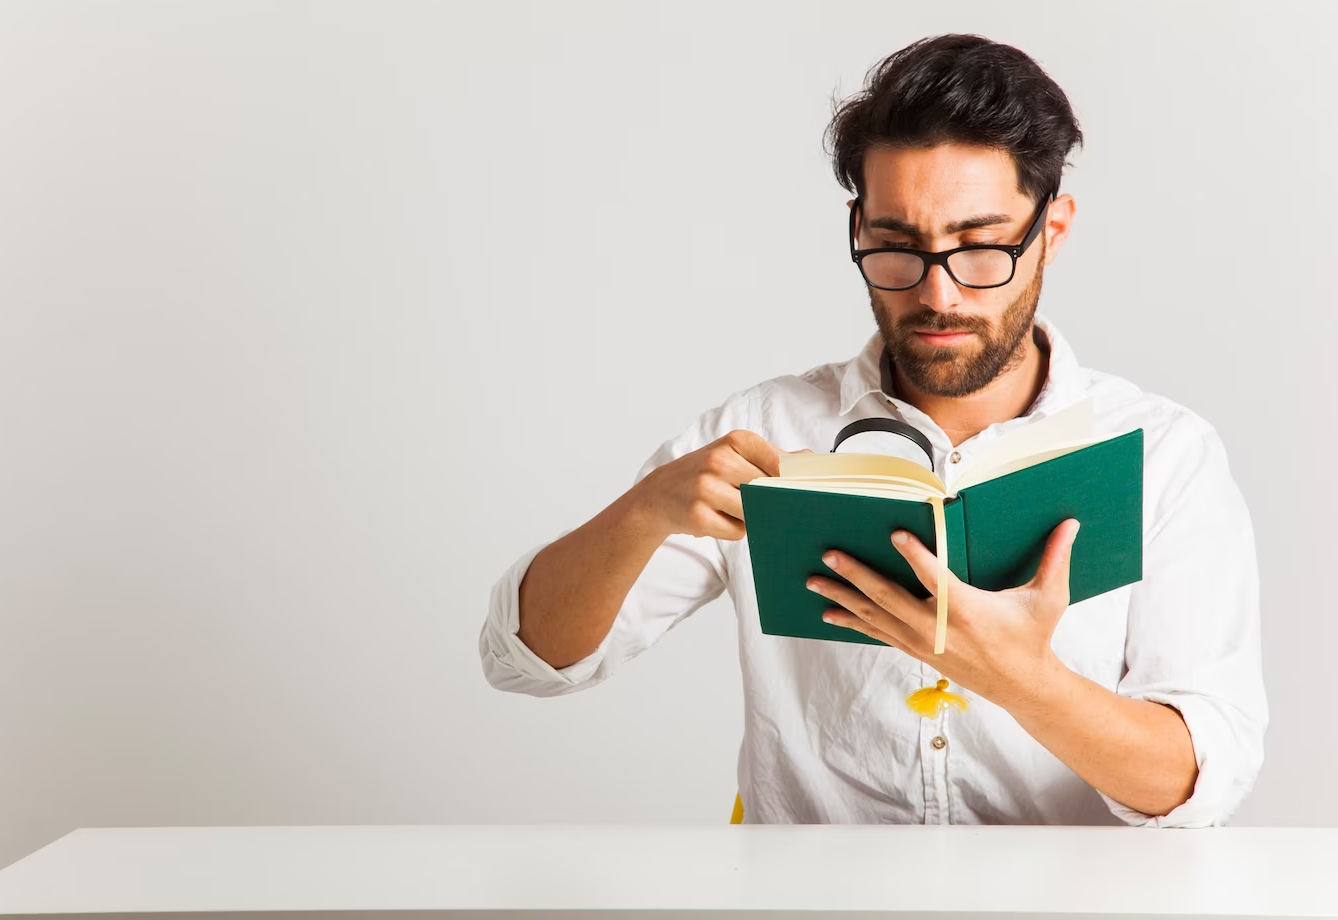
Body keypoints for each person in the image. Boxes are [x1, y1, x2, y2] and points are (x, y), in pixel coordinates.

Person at [478, 33, 1267, 826]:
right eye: (895, 247)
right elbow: (525, 661)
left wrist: (1022, 677)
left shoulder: (1160, 456)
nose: (940, 294)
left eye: (981, 248)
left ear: (1051, 232)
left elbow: (1200, 781)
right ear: (858, 226)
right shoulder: (762, 432)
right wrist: (644, 511)